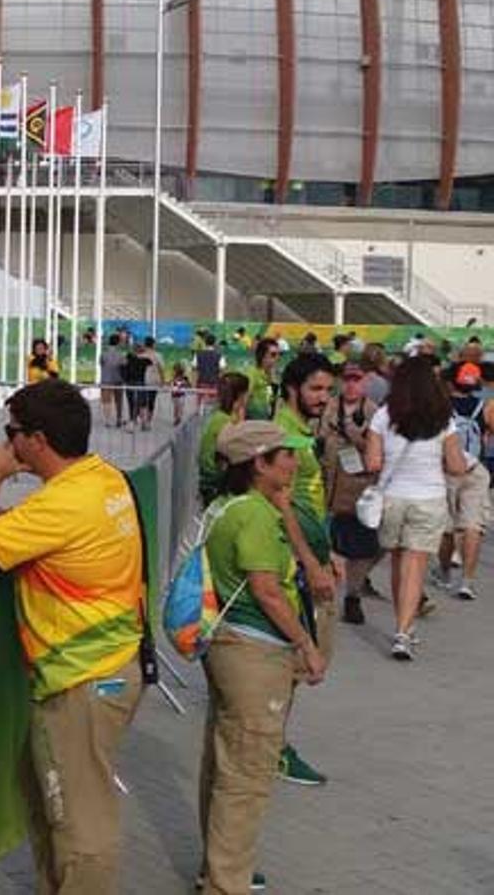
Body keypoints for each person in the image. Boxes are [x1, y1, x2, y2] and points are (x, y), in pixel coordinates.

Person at [0, 379, 145, 894]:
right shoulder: (101, 478)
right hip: (104, 669)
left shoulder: (63, 504)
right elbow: (25, 530)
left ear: (37, 439)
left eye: (11, 432)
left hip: (81, 680)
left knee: (82, 825)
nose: (5, 442)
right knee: (51, 802)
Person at [196, 421, 330, 895]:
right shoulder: (253, 515)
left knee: (222, 761)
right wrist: (305, 645)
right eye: (285, 455)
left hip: (227, 646)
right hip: (254, 653)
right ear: (259, 464)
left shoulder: (225, 506)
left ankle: (216, 866)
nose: (295, 463)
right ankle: (226, 881)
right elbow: (268, 592)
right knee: (247, 775)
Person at [364, 354, 467, 661]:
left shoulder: (383, 415)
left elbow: (372, 462)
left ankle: (402, 626)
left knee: (398, 564)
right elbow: (457, 466)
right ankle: (402, 632)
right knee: (416, 566)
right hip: (429, 498)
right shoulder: (443, 419)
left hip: (393, 498)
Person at [270, 352, 338, 785]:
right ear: (293, 388)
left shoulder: (302, 430)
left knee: (297, 663)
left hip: (311, 557)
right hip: (294, 566)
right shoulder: (284, 434)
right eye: (315, 389)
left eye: (327, 390)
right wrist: (312, 563)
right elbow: (281, 500)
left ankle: (273, 742)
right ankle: (271, 747)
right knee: (293, 661)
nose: (323, 397)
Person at [322, 361, 382, 625]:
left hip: (357, 488)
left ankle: (353, 597)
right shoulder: (327, 406)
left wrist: (353, 434)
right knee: (324, 546)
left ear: (364, 382)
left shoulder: (373, 412)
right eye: (347, 379)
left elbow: (375, 450)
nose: (350, 385)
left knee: (359, 549)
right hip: (326, 484)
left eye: (356, 380)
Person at [439, 362, 489, 601]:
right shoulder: (484, 406)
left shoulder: (441, 405)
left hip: (447, 469)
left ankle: (445, 571)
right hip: (474, 469)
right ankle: (467, 581)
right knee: (472, 525)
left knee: (447, 528)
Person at [200, 372, 251, 505]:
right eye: (247, 393)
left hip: (210, 483)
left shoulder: (219, 417)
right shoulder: (225, 423)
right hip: (216, 486)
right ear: (241, 396)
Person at [245, 339, 281, 420]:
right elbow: (243, 401)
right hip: (252, 422)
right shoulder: (252, 374)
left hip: (268, 421)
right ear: (262, 356)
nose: (277, 358)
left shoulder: (274, 376)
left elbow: (274, 401)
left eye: (279, 354)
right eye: (273, 355)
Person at [99, 332, 128, 428]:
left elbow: (101, 363)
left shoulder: (103, 353)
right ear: (118, 342)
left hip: (106, 379)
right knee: (118, 400)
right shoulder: (121, 354)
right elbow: (124, 365)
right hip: (118, 379)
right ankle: (119, 419)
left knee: (106, 401)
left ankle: (107, 421)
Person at [195, 330, 224, 400]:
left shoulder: (198, 354)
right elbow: (222, 370)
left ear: (205, 342)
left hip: (201, 383)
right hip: (214, 384)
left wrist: (194, 383)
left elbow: (194, 370)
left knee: (200, 404)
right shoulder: (219, 355)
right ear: (214, 343)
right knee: (213, 404)